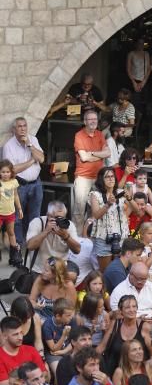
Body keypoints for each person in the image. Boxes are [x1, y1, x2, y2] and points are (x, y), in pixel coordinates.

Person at [2, 116, 44, 247]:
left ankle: (33, 245)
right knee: (17, 218)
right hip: (19, 185)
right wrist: (32, 160)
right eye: (19, 126)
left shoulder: (33, 139)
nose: (23, 129)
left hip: (36, 184)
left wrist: (30, 145)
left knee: (35, 217)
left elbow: (41, 158)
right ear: (14, 129)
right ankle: (18, 247)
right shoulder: (9, 146)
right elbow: (12, 169)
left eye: (24, 126)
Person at [73, 110, 110, 232]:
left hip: (98, 177)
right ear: (85, 121)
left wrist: (92, 153)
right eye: (90, 119)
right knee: (79, 210)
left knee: (96, 209)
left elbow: (108, 153)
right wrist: (100, 155)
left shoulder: (100, 134)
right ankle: (77, 240)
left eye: (95, 119)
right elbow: (84, 157)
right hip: (83, 178)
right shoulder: (79, 135)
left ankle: (91, 235)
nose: (93, 121)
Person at [88, 166, 129, 271]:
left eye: (112, 176)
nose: (111, 179)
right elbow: (96, 216)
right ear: (101, 179)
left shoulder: (121, 192)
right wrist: (108, 204)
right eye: (107, 177)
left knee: (120, 271)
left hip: (121, 237)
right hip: (103, 238)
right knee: (104, 272)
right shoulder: (95, 195)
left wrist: (130, 198)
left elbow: (138, 212)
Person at [26, 200, 81, 276]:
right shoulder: (37, 223)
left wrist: (66, 237)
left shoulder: (69, 225)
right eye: (56, 218)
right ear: (48, 215)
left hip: (60, 270)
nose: (59, 221)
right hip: (39, 271)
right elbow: (30, 246)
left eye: (62, 218)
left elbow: (77, 250)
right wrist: (46, 231)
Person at [0, 316, 46, 385]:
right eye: (15, 334)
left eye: (21, 332)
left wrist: (19, 382)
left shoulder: (31, 350)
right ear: (4, 336)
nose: (20, 337)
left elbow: (44, 374)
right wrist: (33, 380)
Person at [29, 256, 77, 321]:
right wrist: (35, 305)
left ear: (56, 274)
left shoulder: (68, 286)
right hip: (38, 317)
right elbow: (31, 299)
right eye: (43, 269)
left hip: (57, 321)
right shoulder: (40, 279)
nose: (42, 272)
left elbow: (71, 310)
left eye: (46, 270)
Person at [0, 159, 23, 265]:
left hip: (10, 213)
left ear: (11, 172)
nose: (5, 174)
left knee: (11, 233)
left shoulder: (14, 182)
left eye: (7, 172)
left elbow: (16, 196)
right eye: (3, 172)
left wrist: (19, 209)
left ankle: (14, 256)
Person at [9, 295, 43, 359]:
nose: (28, 319)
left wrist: (41, 354)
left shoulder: (35, 317)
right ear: (16, 314)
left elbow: (38, 341)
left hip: (31, 353)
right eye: (25, 317)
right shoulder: (8, 324)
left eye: (29, 316)